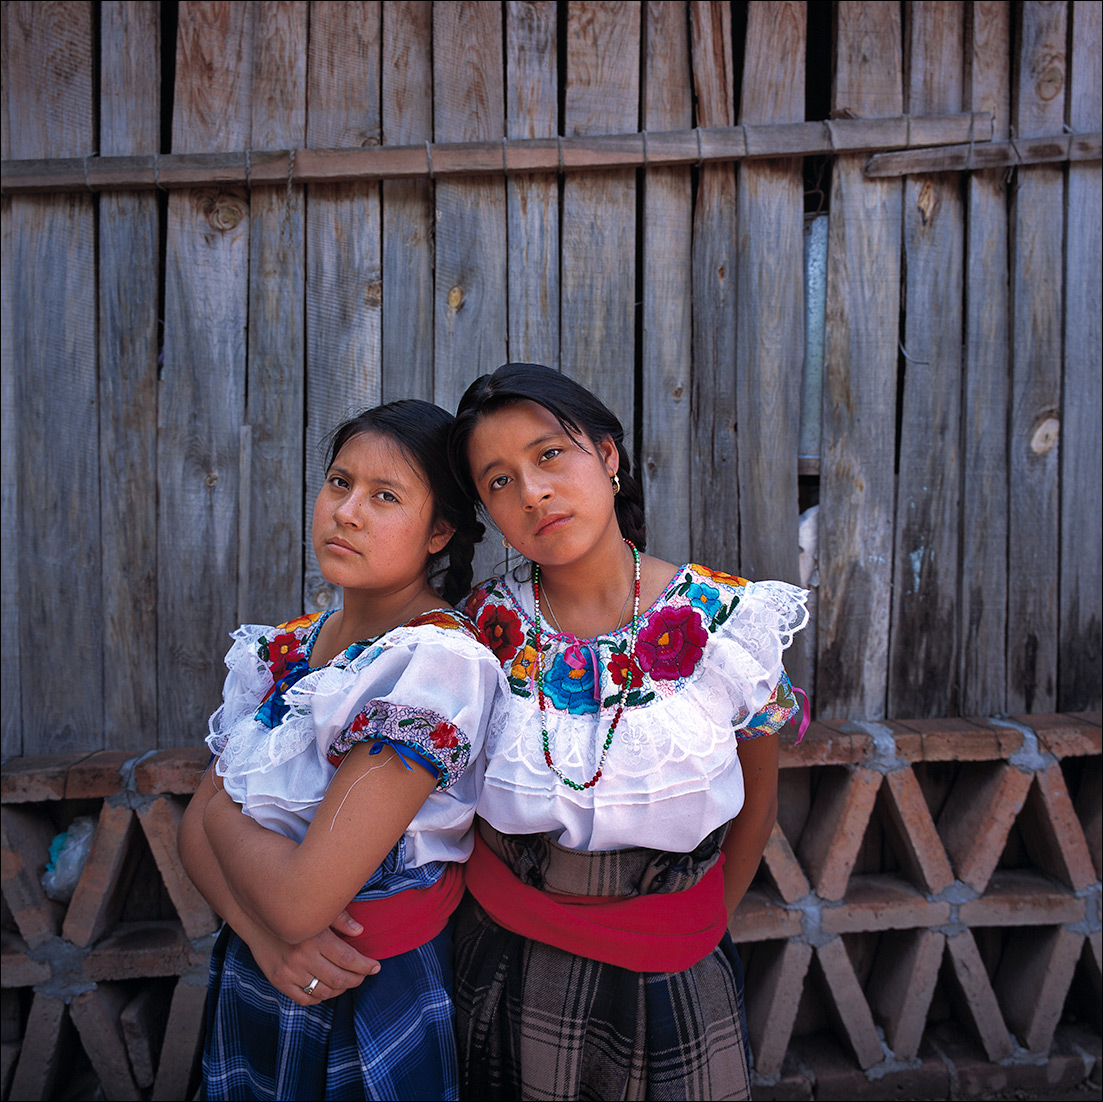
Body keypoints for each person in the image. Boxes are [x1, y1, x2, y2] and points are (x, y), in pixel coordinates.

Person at [446, 363, 808, 1101]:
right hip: (499, 965)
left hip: (676, 974)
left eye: (549, 455)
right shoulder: (476, 629)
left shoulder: (723, 622)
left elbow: (757, 805)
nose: (533, 492)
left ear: (607, 458)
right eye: (499, 481)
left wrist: (686, 928)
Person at [178, 400, 505, 1101]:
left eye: (384, 496)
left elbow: (297, 896)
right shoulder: (290, 647)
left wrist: (218, 817)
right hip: (264, 969)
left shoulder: (431, 666)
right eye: (338, 483)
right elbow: (195, 843)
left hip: (367, 991)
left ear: (438, 530)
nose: (346, 511)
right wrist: (265, 942)